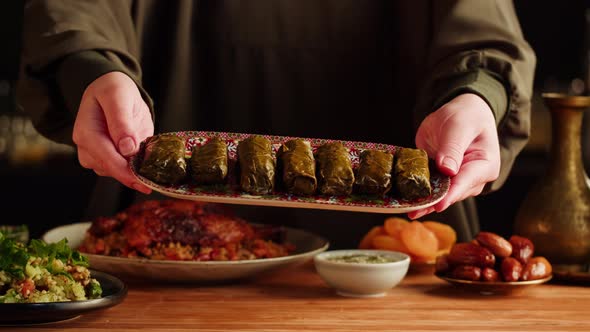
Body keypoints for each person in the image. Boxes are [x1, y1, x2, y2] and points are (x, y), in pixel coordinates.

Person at [18, 0, 535, 248]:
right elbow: (75, 11)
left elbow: (484, 34)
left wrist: (477, 95)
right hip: (161, 257)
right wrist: (92, 69)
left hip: (403, 267)